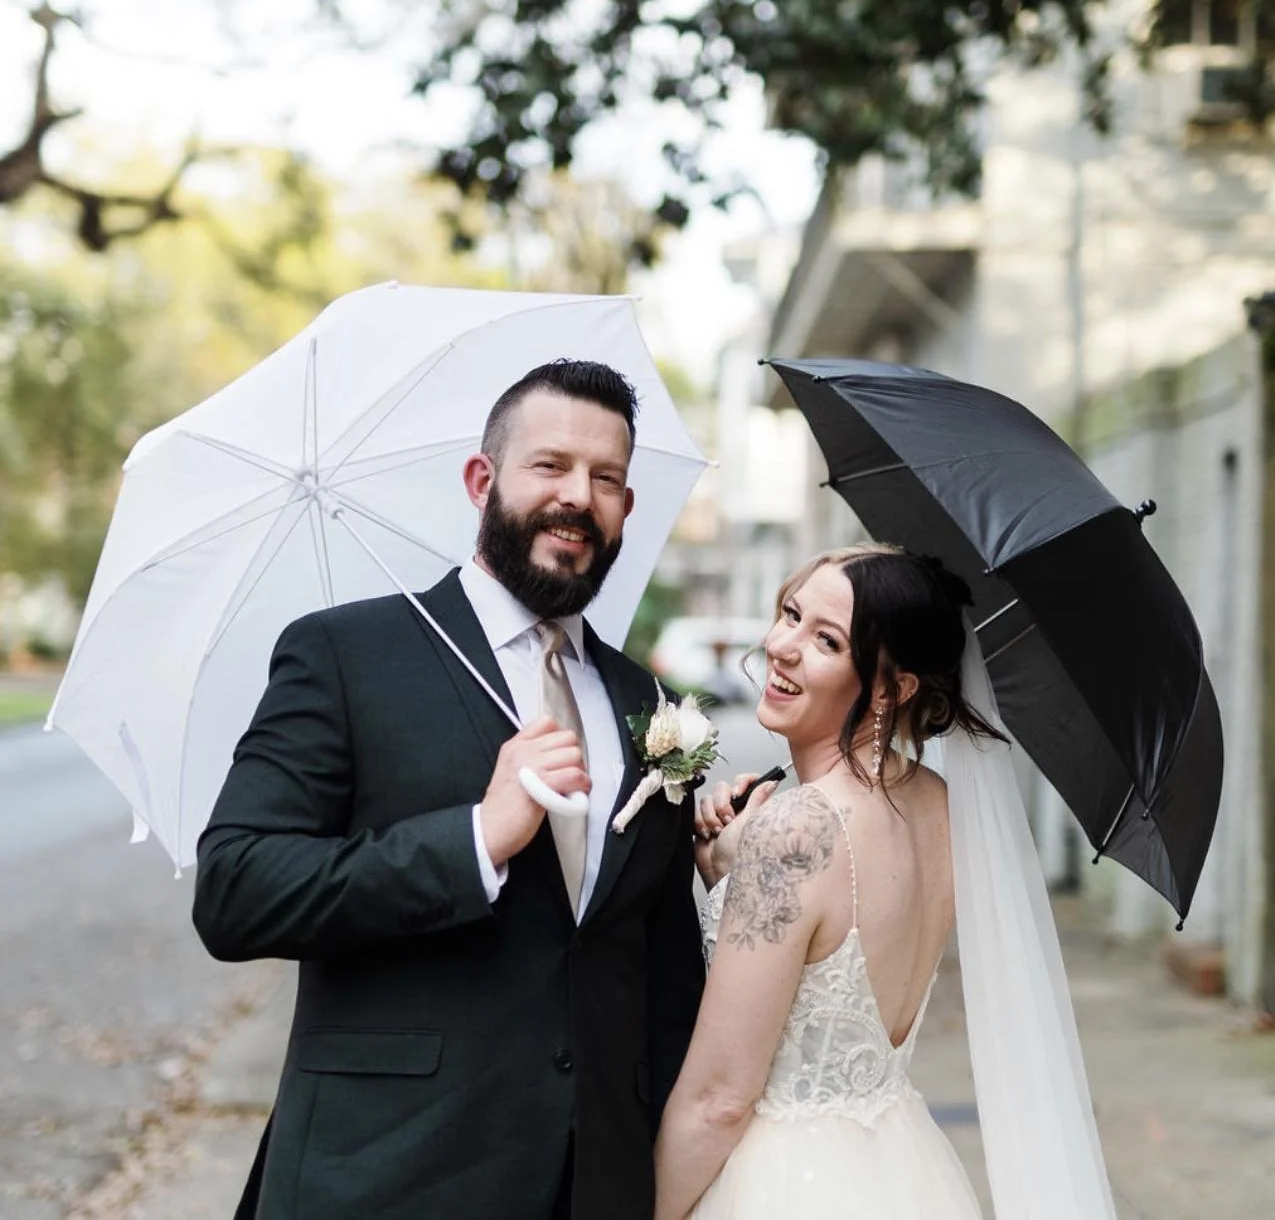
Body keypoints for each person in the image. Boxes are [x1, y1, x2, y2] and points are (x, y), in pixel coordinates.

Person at [192, 359, 705, 1220]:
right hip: (390, 1172)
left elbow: (658, 966)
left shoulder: (642, 703)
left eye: (606, 477)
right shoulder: (343, 656)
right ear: (482, 480)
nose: (579, 494)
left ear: (625, 506)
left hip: (597, 1182)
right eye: (550, 465)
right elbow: (238, 888)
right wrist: (476, 837)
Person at [654, 543, 1118, 1220]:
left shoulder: (796, 833)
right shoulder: (942, 806)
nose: (782, 646)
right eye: (790, 613)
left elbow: (720, 1097)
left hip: (782, 1185)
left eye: (826, 639)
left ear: (892, 686)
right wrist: (726, 871)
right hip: (899, 1168)